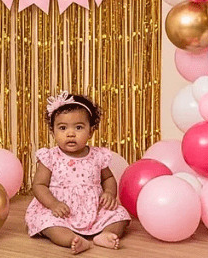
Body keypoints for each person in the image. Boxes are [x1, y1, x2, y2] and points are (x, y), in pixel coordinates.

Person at [25, 91, 130, 254]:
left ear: (91, 131)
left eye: (78, 127)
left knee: (120, 214)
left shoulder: (98, 155)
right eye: (62, 128)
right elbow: (39, 185)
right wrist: (53, 204)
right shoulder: (50, 157)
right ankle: (72, 239)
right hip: (61, 210)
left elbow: (108, 178)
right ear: (53, 132)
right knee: (46, 222)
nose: (70, 133)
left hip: (94, 208)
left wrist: (109, 193)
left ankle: (106, 234)